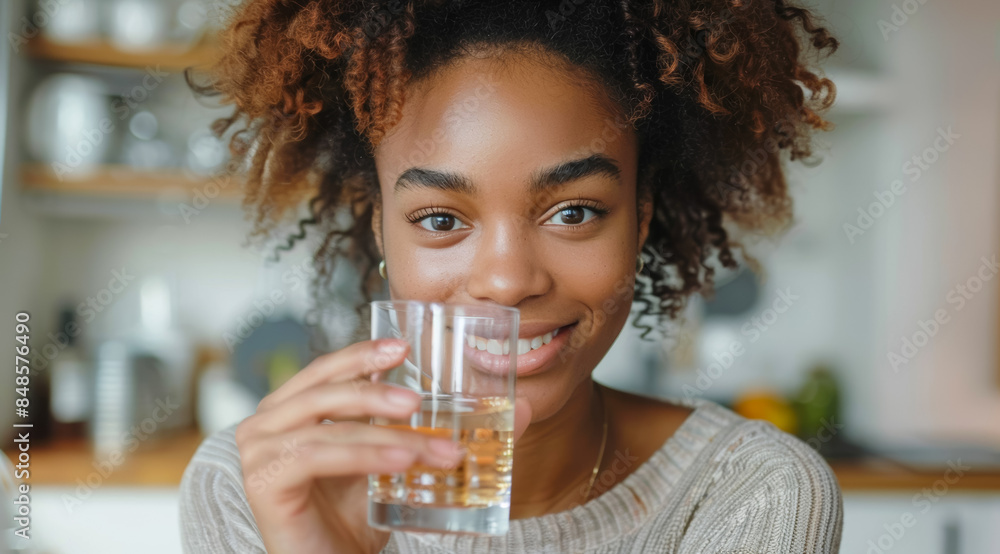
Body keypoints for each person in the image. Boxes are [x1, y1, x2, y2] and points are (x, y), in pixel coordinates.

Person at [179, 0, 843, 552]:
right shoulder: (254, 487)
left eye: (573, 211)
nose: (506, 280)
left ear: (639, 219)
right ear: (380, 227)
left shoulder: (751, 493)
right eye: (440, 220)